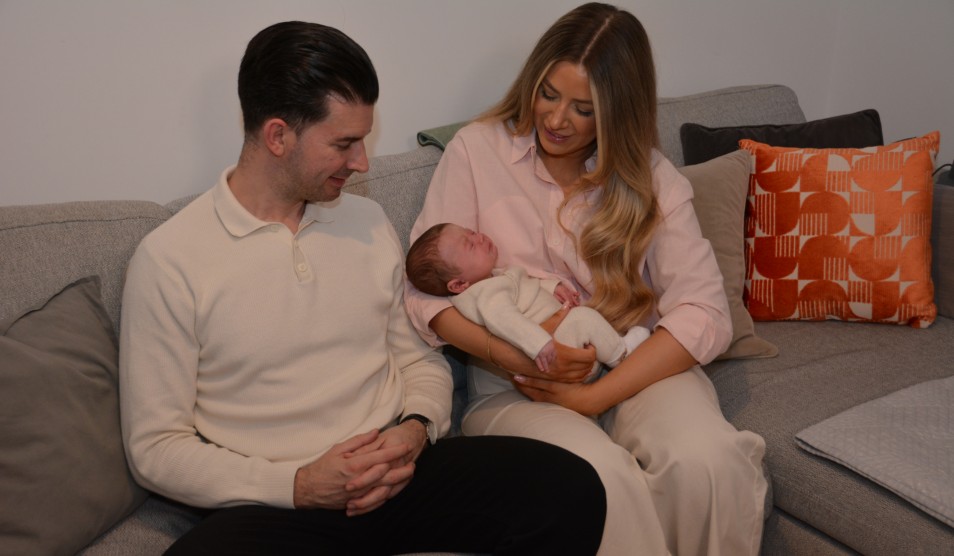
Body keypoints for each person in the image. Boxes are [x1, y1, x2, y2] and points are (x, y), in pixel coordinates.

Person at [118, 20, 607, 555]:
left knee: (570, 488)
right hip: (282, 504)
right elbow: (157, 449)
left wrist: (416, 430)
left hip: (402, 471)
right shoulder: (170, 261)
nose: (362, 163)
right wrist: (299, 485)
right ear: (278, 135)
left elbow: (421, 362)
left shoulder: (367, 222)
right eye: (345, 144)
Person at [404, 3, 768, 555]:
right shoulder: (477, 152)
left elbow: (704, 313)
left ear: (618, 114)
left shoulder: (651, 178)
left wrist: (595, 395)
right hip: (513, 390)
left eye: (584, 109)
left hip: (629, 365)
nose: (555, 120)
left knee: (710, 464)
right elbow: (423, 298)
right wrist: (512, 355)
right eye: (548, 93)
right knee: (599, 480)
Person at [405, 222, 650, 375]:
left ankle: (609, 347)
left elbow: (523, 285)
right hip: (554, 354)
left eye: (472, 232)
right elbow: (503, 320)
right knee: (584, 318)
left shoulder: (492, 278)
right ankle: (621, 354)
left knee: (582, 319)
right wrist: (538, 344)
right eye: (470, 245)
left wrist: (551, 287)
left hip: (564, 347)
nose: (479, 237)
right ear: (459, 285)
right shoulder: (486, 294)